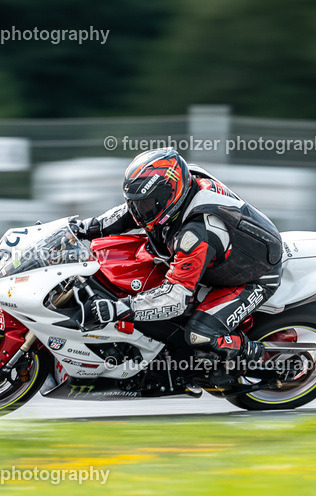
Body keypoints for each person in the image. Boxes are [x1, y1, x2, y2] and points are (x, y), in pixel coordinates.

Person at [74, 147, 284, 370]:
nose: (138, 212)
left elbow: (174, 298)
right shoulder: (178, 190)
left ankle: (255, 354)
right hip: (222, 255)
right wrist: (82, 228)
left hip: (254, 276)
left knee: (200, 335)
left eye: (145, 204)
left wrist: (118, 309)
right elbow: (128, 214)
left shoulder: (196, 233)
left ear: (168, 195)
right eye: (136, 203)